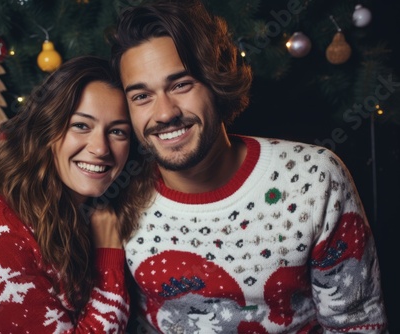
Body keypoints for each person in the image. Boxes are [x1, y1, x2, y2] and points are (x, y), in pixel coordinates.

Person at [109, 0, 389, 333]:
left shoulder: (313, 179)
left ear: (216, 81)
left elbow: (357, 324)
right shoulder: (115, 195)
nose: (165, 112)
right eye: (142, 96)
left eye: (181, 85)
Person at [0, 56, 153, 333]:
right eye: (80, 125)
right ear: (46, 130)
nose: (101, 148)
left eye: (117, 131)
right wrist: (109, 258)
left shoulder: (101, 208)